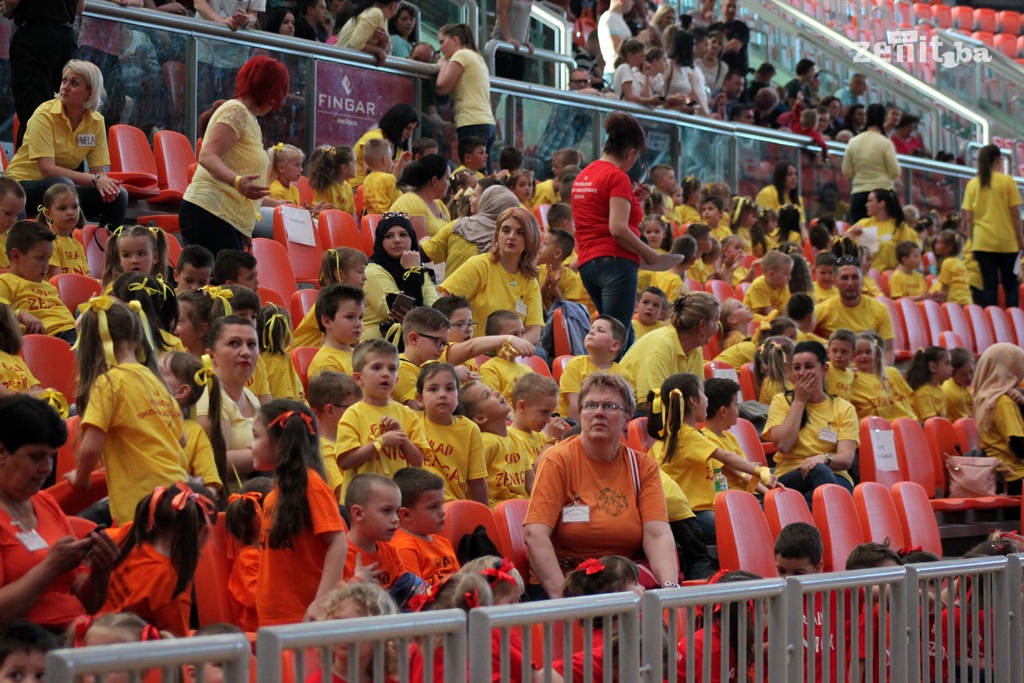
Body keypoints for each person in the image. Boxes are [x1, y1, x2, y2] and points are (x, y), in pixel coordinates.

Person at [523, 373, 678, 600]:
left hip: (622, 583)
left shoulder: (644, 467)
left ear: (628, 419)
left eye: (610, 406)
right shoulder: (557, 460)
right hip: (567, 583)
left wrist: (669, 590)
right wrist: (564, 600)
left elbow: (657, 535)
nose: (598, 413)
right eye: (591, 405)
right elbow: (534, 534)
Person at [0, 395, 120, 628]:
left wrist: (101, 570)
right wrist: (50, 567)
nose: (46, 469)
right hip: (25, 649)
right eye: (36, 457)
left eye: (51, 457)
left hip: (75, 634)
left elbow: (88, 602)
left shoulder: (45, 503)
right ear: (2, 452)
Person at [180, 57, 290, 253]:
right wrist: (238, 181)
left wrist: (242, 224)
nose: (275, 103)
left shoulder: (250, 118)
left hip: (222, 217)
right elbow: (207, 156)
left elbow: (243, 184)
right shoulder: (236, 111)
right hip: (210, 212)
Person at [571, 113, 660, 350]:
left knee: (617, 334)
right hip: (615, 263)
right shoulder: (617, 176)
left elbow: (599, 215)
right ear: (630, 154)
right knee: (616, 338)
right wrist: (648, 252)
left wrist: (632, 200)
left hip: (589, 264)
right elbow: (617, 228)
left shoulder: (584, 175)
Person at [254, 400, 348, 625]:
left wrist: (321, 603)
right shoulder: (275, 494)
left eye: (255, 436)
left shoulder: (312, 485)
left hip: (305, 619)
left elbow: (338, 543)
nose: (250, 445)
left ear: (279, 444)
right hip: (276, 618)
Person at [5, 60, 127, 228]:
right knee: (64, 186)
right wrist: (95, 179)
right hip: (22, 187)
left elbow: (98, 173)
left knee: (118, 195)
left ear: (89, 93)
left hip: (60, 189)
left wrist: (105, 184)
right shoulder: (44, 114)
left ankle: (107, 249)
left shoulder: (96, 122)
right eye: (64, 80)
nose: (65, 87)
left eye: (74, 83)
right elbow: (48, 170)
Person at [99, 482, 215, 636]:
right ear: (202, 531)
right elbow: (175, 651)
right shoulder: (172, 585)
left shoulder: (130, 532)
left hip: (88, 631)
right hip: (120, 651)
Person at [764, 341, 857, 504]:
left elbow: (846, 458)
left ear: (824, 369)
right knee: (819, 473)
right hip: (792, 474)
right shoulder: (781, 401)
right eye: (797, 368)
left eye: (809, 366)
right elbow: (783, 445)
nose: (802, 372)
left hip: (835, 474)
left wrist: (823, 458)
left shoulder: (843, 407)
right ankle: (836, 522)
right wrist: (799, 401)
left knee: (811, 496)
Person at [439, 207, 544, 344]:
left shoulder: (529, 279)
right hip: (473, 350)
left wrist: (514, 348)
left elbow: (534, 330)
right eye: (506, 231)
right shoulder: (479, 265)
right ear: (497, 235)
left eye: (520, 233)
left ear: (531, 239)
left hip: (510, 354)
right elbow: (443, 304)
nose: (511, 236)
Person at [620, 292, 720, 413]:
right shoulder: (660, 346)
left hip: (667, 414)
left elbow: (697, 397)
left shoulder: (695, 347)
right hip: (631, 413)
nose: (717, 328)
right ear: (702, 325)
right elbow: (651, 404)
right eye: (715, 321)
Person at [413, 364, 488, 505]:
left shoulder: (469, 429)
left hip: (454, 507)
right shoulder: (410, 421)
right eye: (433, 389)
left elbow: (477, 481)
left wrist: (485, 518)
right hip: (418, 505)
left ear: (458, 397)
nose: (442, 395)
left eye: (449, 389)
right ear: (419, 399)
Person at [196, 315, 261, 478]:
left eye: (252, 344)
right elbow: (214, 463)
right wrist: (278, 450)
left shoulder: (250, 396)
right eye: (234, 343)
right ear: (211, 356)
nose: (246, 352)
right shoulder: (208, 398)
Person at [962, 143, 1024, 309]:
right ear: (998, 159)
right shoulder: (1007, 182)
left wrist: (972, 242)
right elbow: (1015, 215)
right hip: (1006, 242)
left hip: (982, 242)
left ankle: (991, 322)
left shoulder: (973, 184)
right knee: (1011, 285)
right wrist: (1020, 239)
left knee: (989, 285)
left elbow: (968, 217)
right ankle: (1013, 322)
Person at [362, 214, 438, 341]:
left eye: (403, 234)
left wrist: (415, 269)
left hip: (418, 341)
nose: (397, 240)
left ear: (412, 238)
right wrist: (412, 271)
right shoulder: (372, 272)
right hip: (376, 344)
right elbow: (403, 312)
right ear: (380, 241)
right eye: (389, 236)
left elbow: (435, 310)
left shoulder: (421, 269)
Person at [422, 184, 521, 277]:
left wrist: (423, 242)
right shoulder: (509, 240)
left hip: (451, 293)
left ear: (485, 202)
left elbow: (424, 254)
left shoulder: (458, 226)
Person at [813, 251, 894, 363]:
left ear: (861, 281)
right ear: (835, 282)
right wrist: (826, 344)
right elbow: (799, 331)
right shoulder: (824, 309)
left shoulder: (879, 309)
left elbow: (888, 351)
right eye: (845, 278)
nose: (850, 283)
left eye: (855, 277)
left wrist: (880, 372)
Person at [436, 24, 496, 174]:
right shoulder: (476, 57)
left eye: (443, 42)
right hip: (487, 122)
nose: (440, 48)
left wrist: (443, 65)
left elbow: (442, 87)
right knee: (484, 176)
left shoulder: (461, 55)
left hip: (472, 122)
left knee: (472, 177)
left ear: (455, 40)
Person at [391, 467, 459, 588]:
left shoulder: (443, 542)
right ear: (406, 515)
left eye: (442, 504)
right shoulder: (403, 548)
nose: (442, 512)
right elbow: (416, 596)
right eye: (433, 507)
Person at [974, 344, 1024, 495]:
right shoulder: (1002, 402)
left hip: (1001, 475)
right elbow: (1020, 447)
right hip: (1014, 477)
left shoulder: (984, 398)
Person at [340, 473, 406, 589]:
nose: (396, 519)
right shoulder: (339, 555)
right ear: (358, 513)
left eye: (397, 511)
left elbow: (408, 591)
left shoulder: (391, 551)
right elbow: (330, 602)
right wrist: (357, 582)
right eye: (387, 510)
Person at [841, 103, 899, 224]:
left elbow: (846, 170)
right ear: (883, 119)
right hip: (882, 195)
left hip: (859, 193)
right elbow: (894, 172)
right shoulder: (885, 143)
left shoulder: (853, 141)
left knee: (860, 237)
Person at [849, 331, 917, 421]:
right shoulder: (851, 378)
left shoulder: (893, 372)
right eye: (858, 353)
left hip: (909, 424)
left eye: (868, 352)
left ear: (875, 353)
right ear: (851, 356)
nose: (864, 356)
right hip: (878, 430)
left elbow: (911, 399)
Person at [350, 104, 419, 188]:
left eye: (412, 129)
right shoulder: (375, 138)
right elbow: (370, 179)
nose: (410, 134)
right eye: (408, 128)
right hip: (357, 191)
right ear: (396, 125)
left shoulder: (398, 147)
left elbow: (394, 179)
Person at [308, 284, 364, 377]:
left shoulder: (360, 355)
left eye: (361, 317)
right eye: (350, 317)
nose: (358, 324)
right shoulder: (324, 364)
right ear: (327, 321)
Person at [390, 155, 451, 238]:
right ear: (435, 181)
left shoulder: (440, 205)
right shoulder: (411, 201)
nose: (449, 184)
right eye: (447, 178)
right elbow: (420, 247)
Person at [492, 0, 534, 80]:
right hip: (502, 44)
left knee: (517, 85)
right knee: (499, 83)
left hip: (519, 47)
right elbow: (502, 13)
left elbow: (527, 16)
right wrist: (508, 38)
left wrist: (526, 40)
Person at [709, 0, 750, 76]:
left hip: (735, 73)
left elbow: (734, 46)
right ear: (721, 7)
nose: (731, 10)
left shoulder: (742, 27)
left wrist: (714, 50)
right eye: (728, 6)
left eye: (734, 7)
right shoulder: (712, 28)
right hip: (716, 72)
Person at [597, 0, 634, 73]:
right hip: (615, 71)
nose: (632, 3)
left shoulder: (617, 18)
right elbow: (616, 47)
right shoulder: (610, 18)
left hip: (624, 70)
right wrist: (639, 39)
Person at [943, 348, 974, 422]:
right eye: (963, 375)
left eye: (971, 371)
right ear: (952, 374)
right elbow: (969, 422)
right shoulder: (955, 395)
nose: (969, 377)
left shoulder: (960, 384)